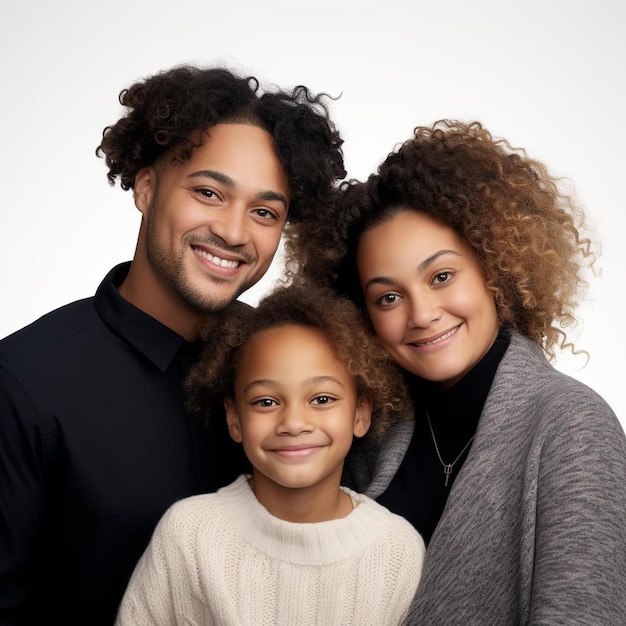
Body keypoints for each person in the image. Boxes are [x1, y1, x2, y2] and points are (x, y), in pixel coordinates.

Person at [0, 65, 345, 626]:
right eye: (209, 192)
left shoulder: (299, 369)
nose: (234, 233)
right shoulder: (24, 384)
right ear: (146, 186)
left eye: (264, 211)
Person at [295, 120, 626, 624]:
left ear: (493, 268)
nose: (422, 313)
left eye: (442, 276)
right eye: (388, 297)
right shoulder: (365, 430)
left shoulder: (572, 426)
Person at [115, 285, 425, 625]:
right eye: (266, 402)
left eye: (322, 399)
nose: (293, 423)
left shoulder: (397, 550)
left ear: (360, 414)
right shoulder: (190, 534)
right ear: (235, 419)